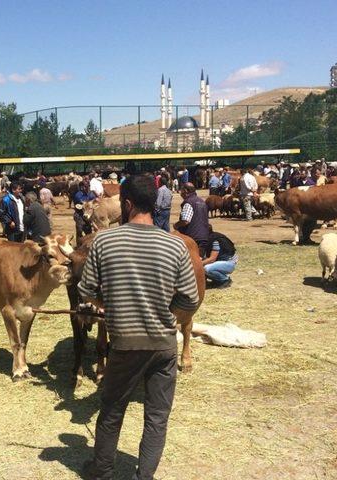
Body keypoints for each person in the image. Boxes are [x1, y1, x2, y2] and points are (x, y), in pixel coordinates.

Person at [78, 175, 199, 480]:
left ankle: (102, 472)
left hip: (125, 345)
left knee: (111, 412)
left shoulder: (105, 241)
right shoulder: (174, 245)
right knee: (157, 417)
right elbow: (190, 298)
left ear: (127, 203)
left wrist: (110, 307)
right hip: (163, 347)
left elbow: (87, 289)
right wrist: (170, 320)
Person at [174, 183, 209, 256]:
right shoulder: (202, 201)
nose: (180, 192)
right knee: (200, 260)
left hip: (192, 238)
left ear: (186, 191)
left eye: (181, 190)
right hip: (204, 236)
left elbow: (186, 221)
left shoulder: (188, 202)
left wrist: (176, 225)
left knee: (191, 262)